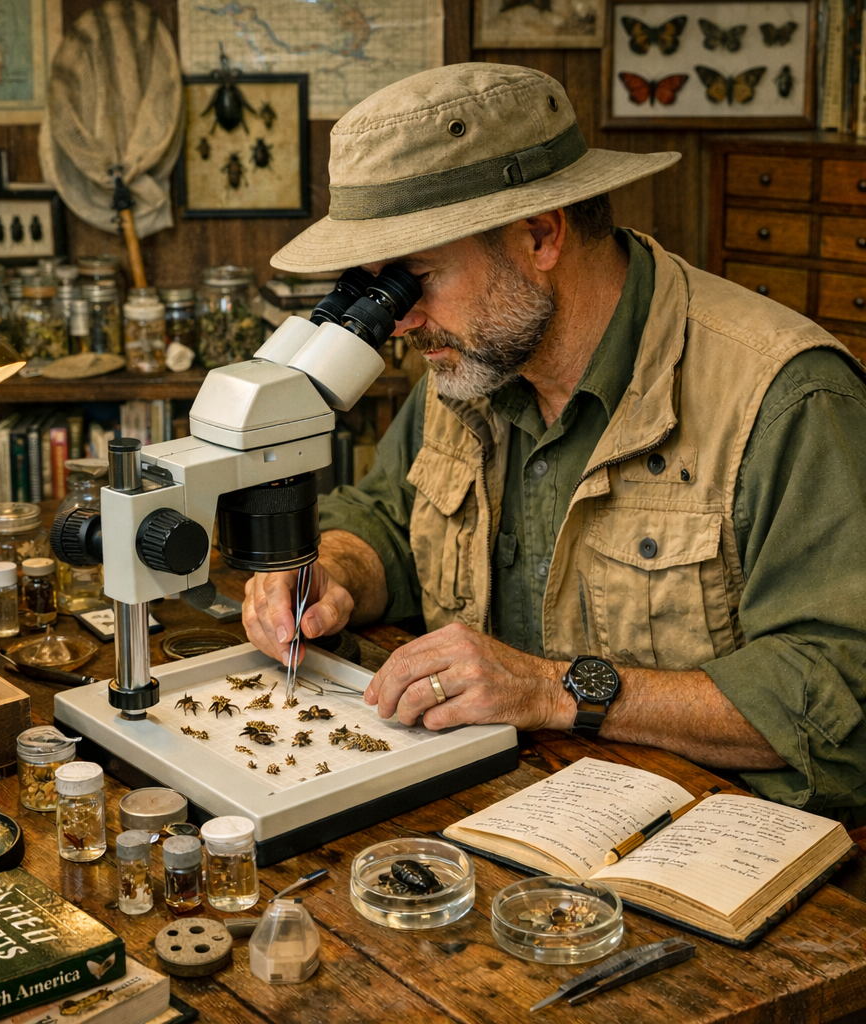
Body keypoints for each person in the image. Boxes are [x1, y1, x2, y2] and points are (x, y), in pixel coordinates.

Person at [242, 63, 866, 824]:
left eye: (415, 279)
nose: (398, 321)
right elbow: (387, 518)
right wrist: (333, 573)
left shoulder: (787, 400)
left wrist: (550, 690)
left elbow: (835, 694)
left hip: (711, 845)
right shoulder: (473, 363)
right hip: (504, 808)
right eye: (377, 289)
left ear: (540, 234)